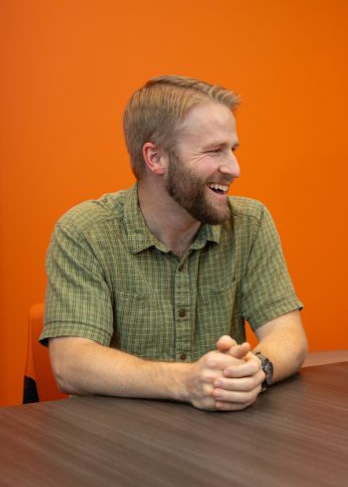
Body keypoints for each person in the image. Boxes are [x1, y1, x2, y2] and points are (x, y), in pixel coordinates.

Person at [41, 75, 307, 411]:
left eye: (232, 149)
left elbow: (289, 336)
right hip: (117, 443)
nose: (234, 168)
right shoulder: (85, 231)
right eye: (214, 150)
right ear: (156, 159)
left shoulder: (250, 222)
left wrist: (257, 369)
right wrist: (185, 381)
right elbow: (71, 364)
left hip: (222, 438)